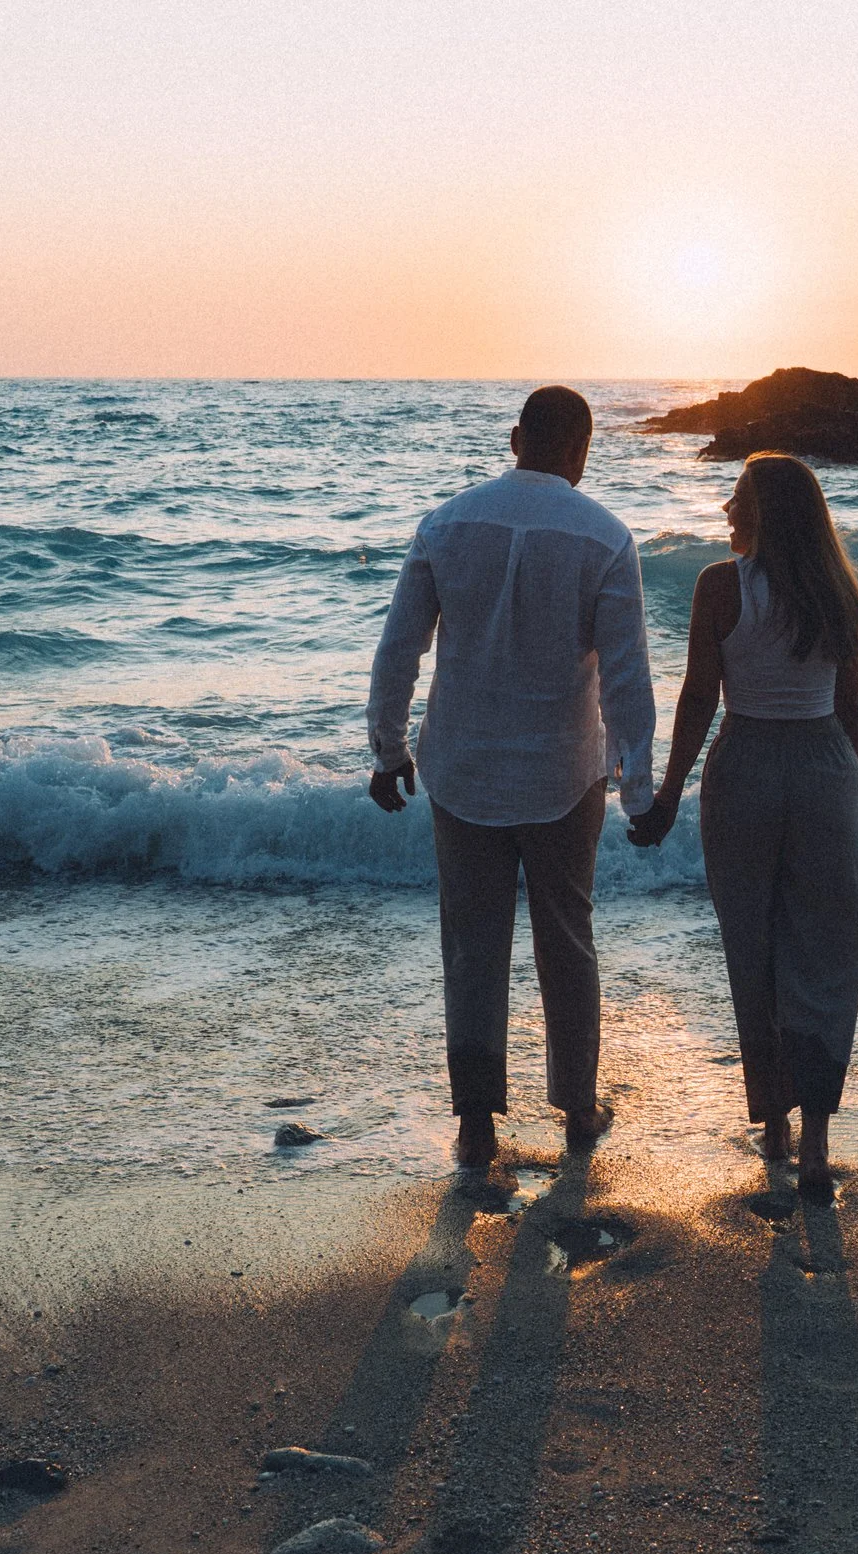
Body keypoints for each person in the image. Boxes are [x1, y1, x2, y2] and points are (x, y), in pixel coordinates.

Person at [366, 386, 657, 1167]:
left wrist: (388, 748)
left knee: (471, 944)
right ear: (581, 452)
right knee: (567, 937)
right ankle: (578, 1108)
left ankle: (475, 1125)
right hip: (564, 773)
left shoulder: (446, 523)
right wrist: (641, 790)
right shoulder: (605, 537)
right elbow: (627, 677)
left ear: (514, 437)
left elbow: (400, 649)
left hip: (461, 767)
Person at [627, 453, 858, 1197]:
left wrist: (667, 796)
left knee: (753, 942)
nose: (727, 511)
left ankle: (775, 1121)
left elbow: (700, 697)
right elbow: (850, 706)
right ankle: (818, 1139)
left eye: (738, 500)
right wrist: (846, 788)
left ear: (768, 511)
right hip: (824, 766)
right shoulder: (839, 589)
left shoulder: (718, 587)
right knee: (826, 945)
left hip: (745, 769)